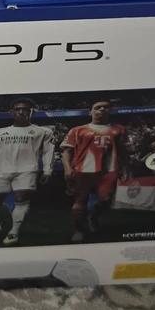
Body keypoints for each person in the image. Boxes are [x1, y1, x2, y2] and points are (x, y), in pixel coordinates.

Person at [0, 99, 55, 245]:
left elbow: (48, 152)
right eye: (17, 109)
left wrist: (48, 170)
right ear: (12, 112)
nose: (21, 112)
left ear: (32, 112)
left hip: (27, 170)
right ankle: (6, 220)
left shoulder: (43, 132)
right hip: (0, 170)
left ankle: (13, 232)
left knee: (21, 199)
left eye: (25, 109)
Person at [61, 100, 126, 241]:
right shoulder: (77, 130)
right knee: (79, 202)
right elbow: (66, 152)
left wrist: (125, 168)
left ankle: (92, 217)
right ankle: (79, 230)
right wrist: (67, 169)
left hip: (109, 172)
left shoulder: (119, 129)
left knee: (105, 200)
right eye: (97, 107)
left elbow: (122, 151)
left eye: (106, 107)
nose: (102, 109)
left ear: (110, 111)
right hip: (82, 171)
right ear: (90, 111)